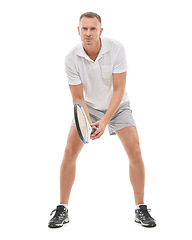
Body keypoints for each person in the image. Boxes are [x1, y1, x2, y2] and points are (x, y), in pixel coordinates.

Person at [48, 12, 156, 228]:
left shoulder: (116, 49)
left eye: (93, 29)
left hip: (117, 107)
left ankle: (140, 208)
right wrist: (87, 122)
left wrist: (106, 121)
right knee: (69, 151)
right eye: (84, 29)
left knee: (135, 151)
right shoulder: (71, 58)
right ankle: (62, 208)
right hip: (88, 108)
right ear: (78, 30)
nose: (88, 33)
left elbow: (119, 90)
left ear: (100, 31)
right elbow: (78, 98)